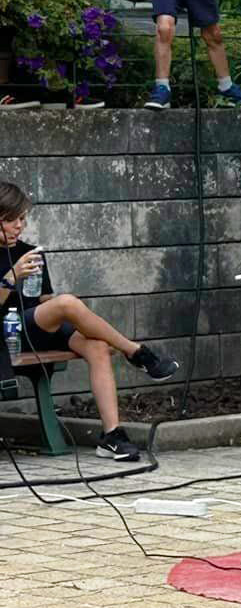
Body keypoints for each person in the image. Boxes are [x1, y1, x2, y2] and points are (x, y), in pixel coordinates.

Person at [0, 181, 178, 461]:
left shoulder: (30, 252)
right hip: (8, 334)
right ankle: (135, 351)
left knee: (96, 346)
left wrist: (68, 317)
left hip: (38, 327)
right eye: (12, 220)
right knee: (67, 303)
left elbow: (46, 302)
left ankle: (112, 436)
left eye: (22, 219)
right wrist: (12, 277)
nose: (19, 226)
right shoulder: (14, 262)